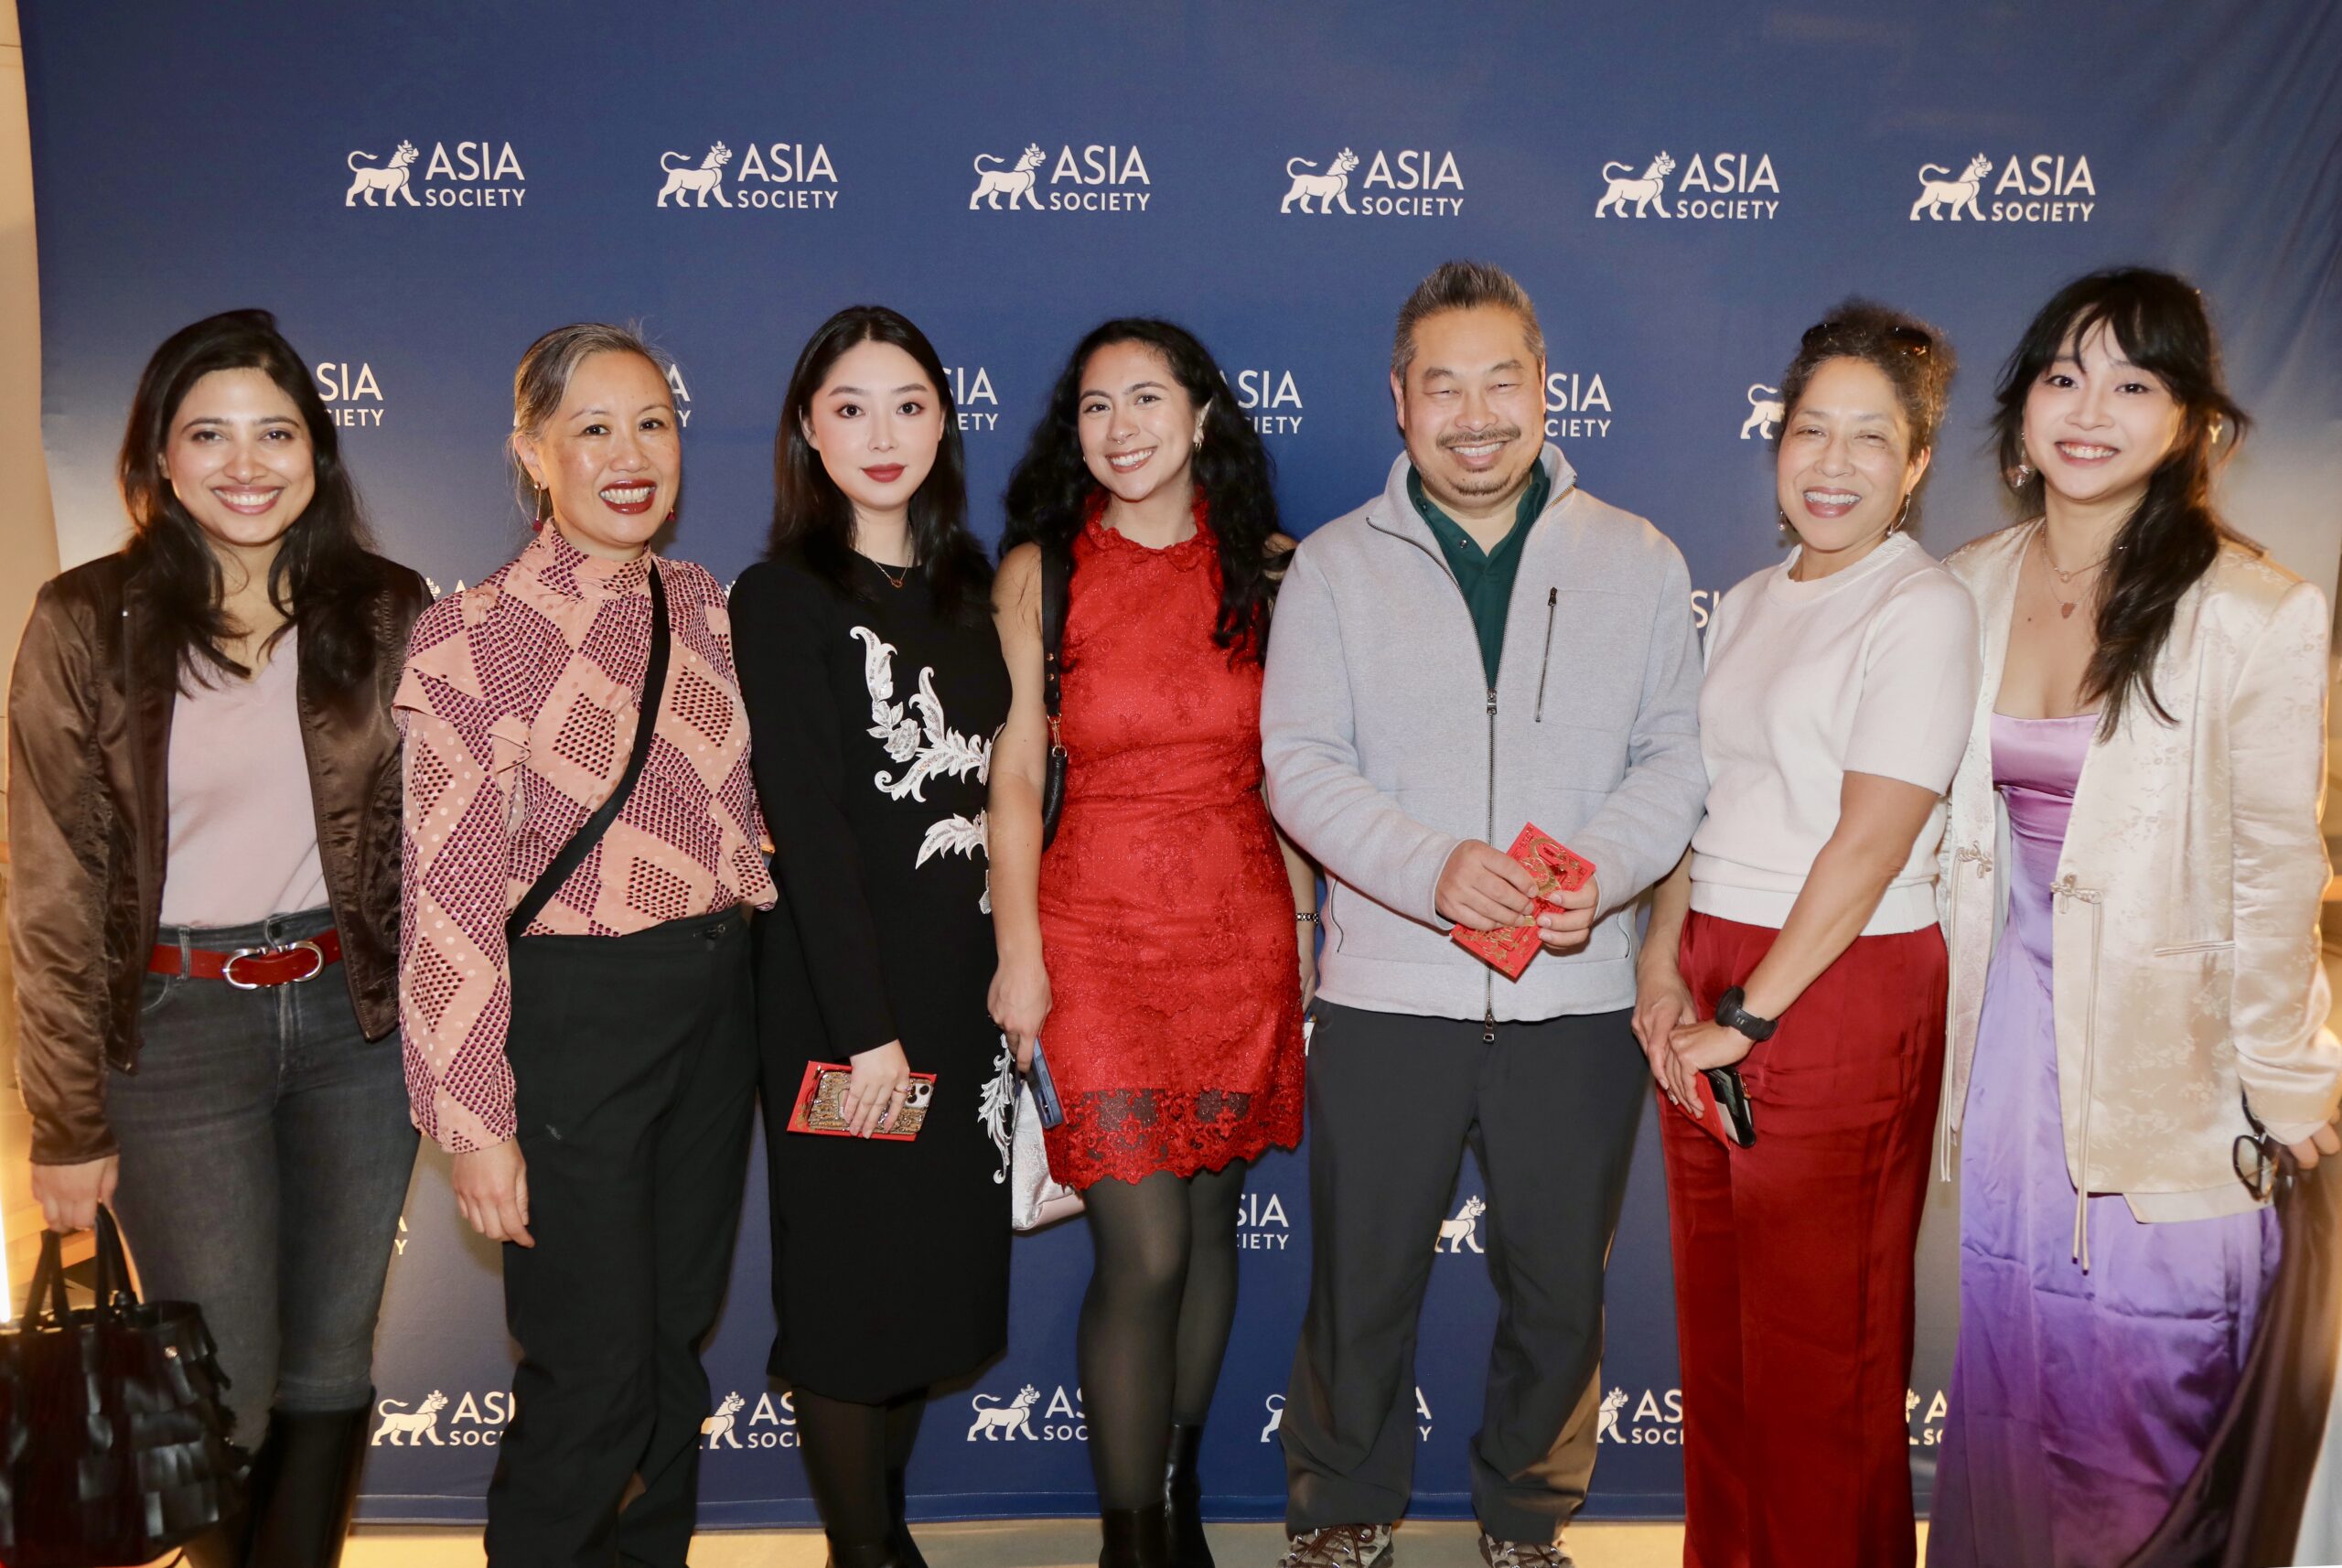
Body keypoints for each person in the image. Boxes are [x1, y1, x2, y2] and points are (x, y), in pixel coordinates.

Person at [1261, 260, 1707, 1568]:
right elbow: (1298, 761)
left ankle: (1526, 1518)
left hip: (1575, 1000)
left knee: (1562, 1286)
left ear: (1544, 387)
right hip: (1391, 993)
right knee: (1360, 1280)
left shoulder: (1638, 558)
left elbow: (1675, 757)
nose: (1472, 414)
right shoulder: (1337, 568)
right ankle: (1342, 1508)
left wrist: (1603, 873)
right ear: (1399, 400)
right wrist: (1431, 866)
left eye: (1498, 381)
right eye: (1440, 385)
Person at [1927, 268, 2342, 1568]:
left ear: (2188, 422)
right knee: (2013, 1385)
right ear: (2020, 412)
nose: (2090, 408)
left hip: (2177, 1074)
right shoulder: (1964, 585)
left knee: (2143, 1409)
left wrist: (2284, 1080)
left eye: (2133, 380)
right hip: (2005, 1066)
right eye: (2064, 374)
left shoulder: (2254, 613)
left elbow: (2279, 874)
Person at [11, 308, 426, 1568]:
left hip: (359, 1026)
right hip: (179, 1033)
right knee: (225, 1381)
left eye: (276, 432)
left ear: (317, 450)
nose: (247, 464)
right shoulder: (85, 621)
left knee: (329, 1361)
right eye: (210, 434)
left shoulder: (387, 607)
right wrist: (67, 1120)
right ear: (160, 459)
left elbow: (444, 848)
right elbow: (51, 887)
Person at [395, 322, 778, 1567]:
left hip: (716, 1004)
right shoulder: (470, 637)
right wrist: (475, 1117)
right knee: (590, 1368)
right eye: (594, 429)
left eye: (653, 424)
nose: (630, 455)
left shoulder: (704, 601)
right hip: (573, 1016)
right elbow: (449, 893)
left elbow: (737, 818)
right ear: (532, 452)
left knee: (670, 1351)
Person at [1635, 303, 1978, 1568]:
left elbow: (1870, 842)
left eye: (1871, 439)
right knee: (1721, 1350)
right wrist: (1661, 963)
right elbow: (1699, 800)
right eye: (1810, 430)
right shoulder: (1750, 597)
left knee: (1821, 1364)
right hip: (1716, 973)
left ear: (1919, 464)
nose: (1832, 463)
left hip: (1834, 985)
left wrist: (1751, 1017)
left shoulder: (1921, 607)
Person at [989, 317, 1313, 1568]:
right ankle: (1130, 1540)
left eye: (1145, 399)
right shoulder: (1043, 571)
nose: (1119, 429)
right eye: (1093, 406)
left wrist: (1308, 926)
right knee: (1149, 1242)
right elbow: (1016, 774)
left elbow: (1294, 770)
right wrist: (1019, 954)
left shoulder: (1271, 572)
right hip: (1091, 944)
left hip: (1239, 938)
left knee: (1214, 1226)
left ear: (1204, 415)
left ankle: (1176, 1502)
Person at [729, 306, 1009, 1568]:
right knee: (849, 1292)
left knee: (927, 1286)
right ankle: (866, 1551)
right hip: (848, 1007)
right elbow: (812, 825)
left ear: (944, 419)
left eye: (907, 403)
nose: (880, 433)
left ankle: (885, 1529)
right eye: (849, 406)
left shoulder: (972, 587)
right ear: (807, 430)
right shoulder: (782, 596)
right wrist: (870, 1035)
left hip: (965, 996)